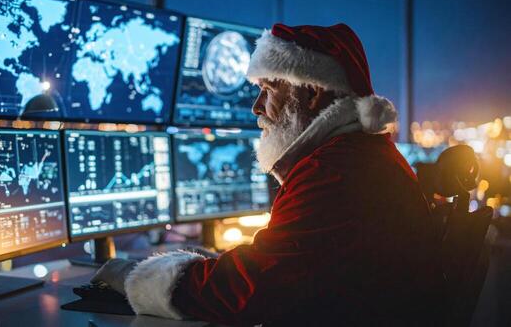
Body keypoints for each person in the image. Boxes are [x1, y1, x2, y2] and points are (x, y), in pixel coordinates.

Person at [92, 23, 443, 325]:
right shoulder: (362, 155)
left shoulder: (333, 173)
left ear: (313, 92)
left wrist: (133, 277)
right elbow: (283, 267)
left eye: (268, 90)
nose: (256, 107)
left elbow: (245, 291)